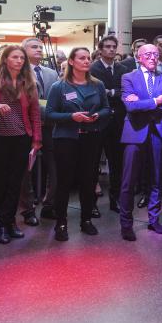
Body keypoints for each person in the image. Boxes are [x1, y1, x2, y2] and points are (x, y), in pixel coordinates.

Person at [45, 47, 110, 241]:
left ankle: (86, 220)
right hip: (66, 139)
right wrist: (71, 117)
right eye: (82, 58)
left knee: (88, 181)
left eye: (88, 58)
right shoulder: (59, 86)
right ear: (71, 61)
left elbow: (107, 108)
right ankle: (61, 223)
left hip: (91, 137)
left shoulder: (97, 84)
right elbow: (49, 114)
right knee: (63, 182)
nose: (86, 61)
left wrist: (98, 115)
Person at [0, 45, 42, 245]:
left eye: (21, 58)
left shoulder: (28, 82)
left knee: (17, 182)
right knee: (0, 183)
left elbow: (35, 113)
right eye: (14, 57)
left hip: (21, 137)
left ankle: (9, 222)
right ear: (5, 59)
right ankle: (3, 222)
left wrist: (36, 139)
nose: (19, 61)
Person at [118, 44, 162, 239]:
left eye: (155, 54)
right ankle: (126, 224)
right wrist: (154, 102)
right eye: (148, 54)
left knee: (156, 179)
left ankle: (154, 220)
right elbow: (130, 107)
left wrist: (142, 103)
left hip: (159, 133)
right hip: (135, 133)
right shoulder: (128, 77)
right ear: (139, 57)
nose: (153, 57)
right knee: (128, 181)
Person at [23, 37, 59, 225]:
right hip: (26, 125)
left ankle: (49, 204)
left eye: (40, 47)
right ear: (24, 50)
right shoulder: (19, 71)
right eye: (34, 47)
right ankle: (27, 210)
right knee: (25, 169)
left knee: (55, 166)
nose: (39, 50)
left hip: (51, 125)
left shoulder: (52, 73)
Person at [90, 35, 125, 213]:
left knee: (116, 163)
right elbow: (95, 93)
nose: (111, 49)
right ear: (101, 49)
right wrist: (113, 93)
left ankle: (115, 199)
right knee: (93, 162)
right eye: (108, 47)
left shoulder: (122, 68)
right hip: (97, 120)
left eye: (114, 47)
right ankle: (92, 203)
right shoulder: (92, 69)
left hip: (117, 121)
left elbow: (125, 92)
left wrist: (109, 92)